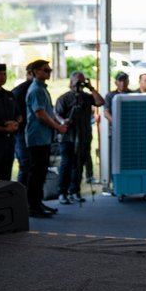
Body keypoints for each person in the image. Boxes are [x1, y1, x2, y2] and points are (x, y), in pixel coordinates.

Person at [54, 71, 105, 204]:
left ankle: (75, 190)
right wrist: (63, 121)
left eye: (81, 82)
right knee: (66, 164)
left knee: (79, 164)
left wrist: (91, 88)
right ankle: (62, 192)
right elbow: (57, 114)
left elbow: (100, 102)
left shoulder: (87, 97)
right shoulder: (64, 98)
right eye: (77, 82)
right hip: (68, 137)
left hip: (84, 136)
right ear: (71, 82)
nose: (79, 85)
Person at [24, 60, 67, 218]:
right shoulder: (36, 90)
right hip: (37, 137)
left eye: (49, 69)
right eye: (45, 70)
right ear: (35, 72)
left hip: (43, 137)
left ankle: (37, 203)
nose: (49, 72)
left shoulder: (42, 89)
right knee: (36, 172)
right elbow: (40, 114)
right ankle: (33, 206)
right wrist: (58, 127)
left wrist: (58, 124)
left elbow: (47, 113)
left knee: (41, 171)